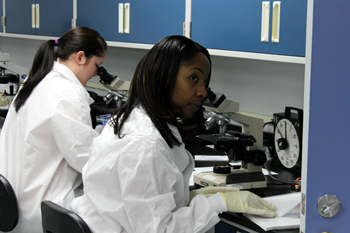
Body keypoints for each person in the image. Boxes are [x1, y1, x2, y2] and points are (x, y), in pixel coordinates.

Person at [71, 35, 276, 233]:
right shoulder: (146, 144)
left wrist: (190, 196)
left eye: (204, 81)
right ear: (163, 77)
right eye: (193, 78)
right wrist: (217, 203)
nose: (203, 92)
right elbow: (159, 230)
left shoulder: (128, 119)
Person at [0, 26, 107, 233]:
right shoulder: (68, 93)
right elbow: (85, 159)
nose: (96, 73)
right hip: (41, 211)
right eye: (97, 65)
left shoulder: (37, 79)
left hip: (12, 204)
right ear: (81, 57)